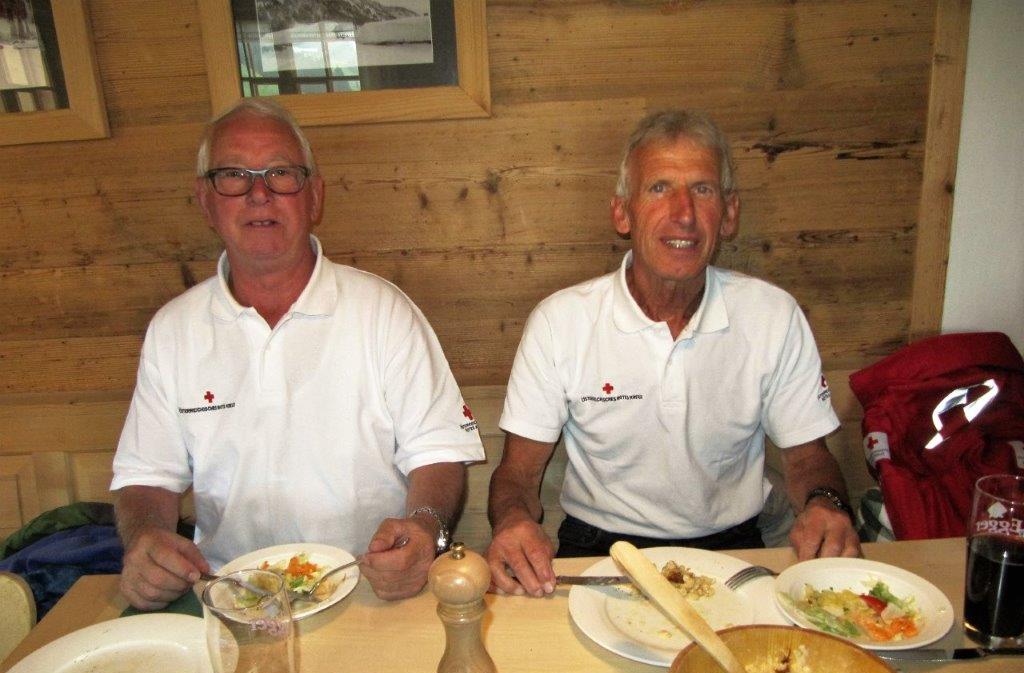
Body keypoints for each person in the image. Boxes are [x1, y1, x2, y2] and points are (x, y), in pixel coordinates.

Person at [111, 98, 484, 610]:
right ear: (205, 201)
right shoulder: (173, 330)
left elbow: (438, 453)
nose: (259, 194)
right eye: (233, 175)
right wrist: (145, 540)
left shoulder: (383, 311)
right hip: (231, 594)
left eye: (280, 173)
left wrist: (425, 530)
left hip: (369, 586)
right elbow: (146, 477)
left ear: (314, 196)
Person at [486, 110, 861, 597]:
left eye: (702, 189)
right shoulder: (560, 322)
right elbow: (517, 474)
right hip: (599, 548)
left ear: (729, 214)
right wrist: (513, 522)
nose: (683, 212)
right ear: (623, 213)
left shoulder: (773, 315)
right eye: (659, 188)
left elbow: (810, 460)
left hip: (732, 548)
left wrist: (828, 504)